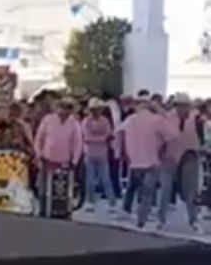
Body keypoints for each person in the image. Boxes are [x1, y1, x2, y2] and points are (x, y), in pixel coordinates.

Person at [117, 92, 168, 229]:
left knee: (136, 187)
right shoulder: (156, 119)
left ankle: (132, 212)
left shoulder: (132, 119)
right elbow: (170, 133)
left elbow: (118, 132)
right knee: (145, 190)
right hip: (149, 159)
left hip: (136, 159)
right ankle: (140, 216)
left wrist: (123, 151)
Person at [158, 92, 203, 231]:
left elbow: (202, 138)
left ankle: (193, 220)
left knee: (191, 191)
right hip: (169, 156)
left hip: (190, 155)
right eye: (179, 106)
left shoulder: (196, 119)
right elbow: (161, 137)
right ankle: (161, 219)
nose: (182, 109)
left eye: (185, 106)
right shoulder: (167, 118)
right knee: (165, 189)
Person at [34, 97, 83, 215]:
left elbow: (78, 143)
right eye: (63, 107)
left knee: (63, 189)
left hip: (64, 162)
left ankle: (63, 210)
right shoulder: (48, 120)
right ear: (58, 108)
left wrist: (75, 161)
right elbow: (39, 139)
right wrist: (38, 154)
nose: (65, 111)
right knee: (44, 188)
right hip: (47, 160)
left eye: (68, 108)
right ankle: (43, 209)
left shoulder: (74, 123)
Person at [82, 97, 117, 213]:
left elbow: (109, 134)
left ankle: (112, 202)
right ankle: (90, 201)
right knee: (90, 180)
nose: (97, 111)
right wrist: (101, 138)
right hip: (90, 153)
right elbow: (86, 137)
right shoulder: (86, 121)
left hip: (102, 153)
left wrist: (97, 138)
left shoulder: (105, 121)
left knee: (105, 179)